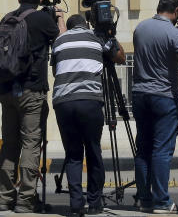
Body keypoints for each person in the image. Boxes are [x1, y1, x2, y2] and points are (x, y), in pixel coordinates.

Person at [0, 0, 63, 213]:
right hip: (32, 89)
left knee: (9, 145)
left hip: (7, 90)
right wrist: (59, 16)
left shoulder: (8, 18)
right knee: (31, 144)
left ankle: (3, 198)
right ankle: (25, 200)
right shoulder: (42, 20)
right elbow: (62, 40)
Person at [51, 14, 125, 217]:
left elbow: (56, 71)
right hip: (90, 101)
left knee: (74, 154)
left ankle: (76, 205)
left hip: (63, 102)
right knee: (93, 151)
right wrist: (110, 34)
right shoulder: (96, 37)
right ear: (87, 25)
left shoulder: (59, 40)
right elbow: (121, 57)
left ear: (70, 26)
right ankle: (94, 204)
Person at [132, 0, 178, 214]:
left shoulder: (140, 28)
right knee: (161, 150)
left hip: (140, 95)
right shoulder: (174, 32)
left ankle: (144, 199)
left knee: (143, 149)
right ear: (176, 10)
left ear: (158, 7)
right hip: (164, 96)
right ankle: (161, 201)